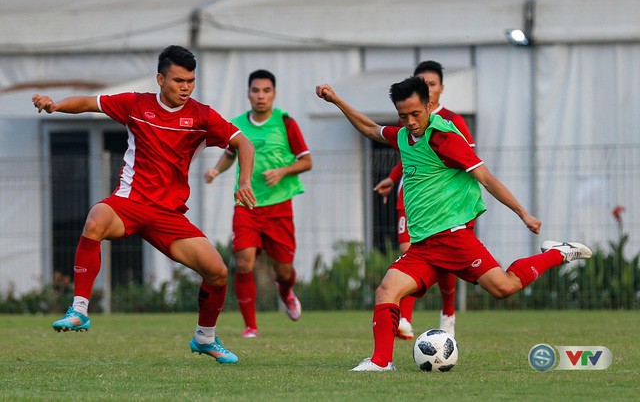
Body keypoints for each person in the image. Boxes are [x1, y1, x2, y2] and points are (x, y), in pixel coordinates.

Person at [316, 76, 592, 371]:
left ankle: (557, 253)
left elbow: (486, 177)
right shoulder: (404, 138)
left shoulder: (443, 138)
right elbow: (370, 128)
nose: (409, 121)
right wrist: (337, 101)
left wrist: (523, 213)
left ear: (430, 105)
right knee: (386, 291)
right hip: (424, 245)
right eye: (403, 115)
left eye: (415, 114)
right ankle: (381, 362)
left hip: (454, 237)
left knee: (504, 288)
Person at [32, 45, 257, 364]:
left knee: (218, 273)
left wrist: (244, 181)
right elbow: (88, 103)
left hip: (168, 214)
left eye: (191, 81)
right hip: (130, 203)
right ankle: (79, 309)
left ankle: (205, 337)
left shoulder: (201, 115)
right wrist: (55, 105)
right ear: (160, 79)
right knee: (96, 218)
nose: (185, 87)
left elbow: (243, 143)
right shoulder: (135, 104)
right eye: (179, 80)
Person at [204, 69, 312, 338]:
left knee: (284, 270)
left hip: (279, 206)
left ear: (274, 94)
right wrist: (217, 170)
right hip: (246, 204)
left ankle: (285, 292)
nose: (260, 96)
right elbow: (230, 154)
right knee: (244, 263)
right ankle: (250, 326)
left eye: (266, 90)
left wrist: (282, 171)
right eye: (255, 90)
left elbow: (307, 161)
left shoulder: (285, 123)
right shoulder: (238, 123)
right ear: (248, 93)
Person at [373, 61, 474, 339]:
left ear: (440, 88)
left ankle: (448, 315)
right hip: (410, 196)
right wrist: (393, 179)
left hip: (444, 204)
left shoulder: (452, 122)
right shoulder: (409, 117)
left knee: (445, 259)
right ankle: (405, 317)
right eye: (422, 83)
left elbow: (467, 164)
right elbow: (409, 153)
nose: (427, 88)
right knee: (410, 251)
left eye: (432, 84)